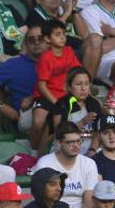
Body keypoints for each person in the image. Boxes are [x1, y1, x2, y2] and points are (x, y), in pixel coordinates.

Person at [0, 24, 45, 133]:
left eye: (40, 38)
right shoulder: (15, 64)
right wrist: (1, 106)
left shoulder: (60, 60)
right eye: (31, 40)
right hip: (29, 114)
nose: (36, 42)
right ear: (26, 44)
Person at [31, 20, 82, 154]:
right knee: (38, 121)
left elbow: (77, 72)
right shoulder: (45, 58)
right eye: (58, 34)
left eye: (64, 34)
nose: (62, 38)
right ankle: (33, 150)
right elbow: (42, 85)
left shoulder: (69, 51)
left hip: (66, 97)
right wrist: (55, 102)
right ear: (47, 38)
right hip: (47, 95)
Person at [35, 122, 99, 208]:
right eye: (70, 142)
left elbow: (89, 202)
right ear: (58, 143)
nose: (76, 146)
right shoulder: (45, 163)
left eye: (79, 141)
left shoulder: (89, 164)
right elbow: (43, 199)